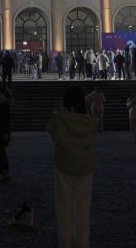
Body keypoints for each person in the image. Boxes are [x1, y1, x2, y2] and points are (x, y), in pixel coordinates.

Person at [47, 86, 97, 248]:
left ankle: (66, 243)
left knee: (64, 208)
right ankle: (83, 243)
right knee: (83, 210)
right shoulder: (90, 122)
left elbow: (51, 131)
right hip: (85, 166)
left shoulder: (59, 119)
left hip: (64, 166)